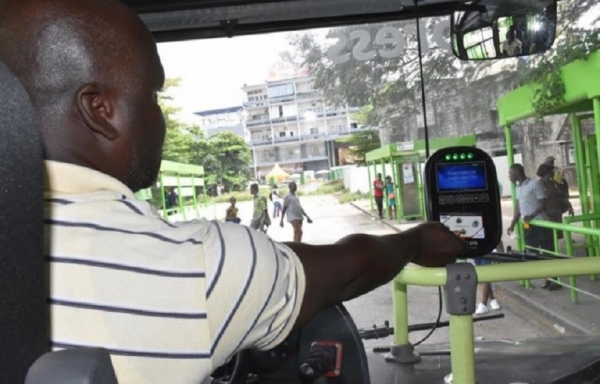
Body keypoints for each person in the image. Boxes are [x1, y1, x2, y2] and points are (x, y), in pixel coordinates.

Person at [0, 0, 469, 382]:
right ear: (99, 109)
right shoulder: (195, 267)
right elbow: (350, 268)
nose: (159, 117)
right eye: (153, 97)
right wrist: (416, 241)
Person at [507, 164, 558, 290]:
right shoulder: (518, 188)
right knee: (534, 254)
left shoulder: (534, 184)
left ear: (517, 173)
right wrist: (513, 223)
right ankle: (547, 278)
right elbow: (518, 206)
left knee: (547, 252)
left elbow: (543, 202)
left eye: (510, 173)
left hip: (541, 224)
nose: (509, 176)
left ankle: (555, 280)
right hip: (528, 225)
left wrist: (532, 216)